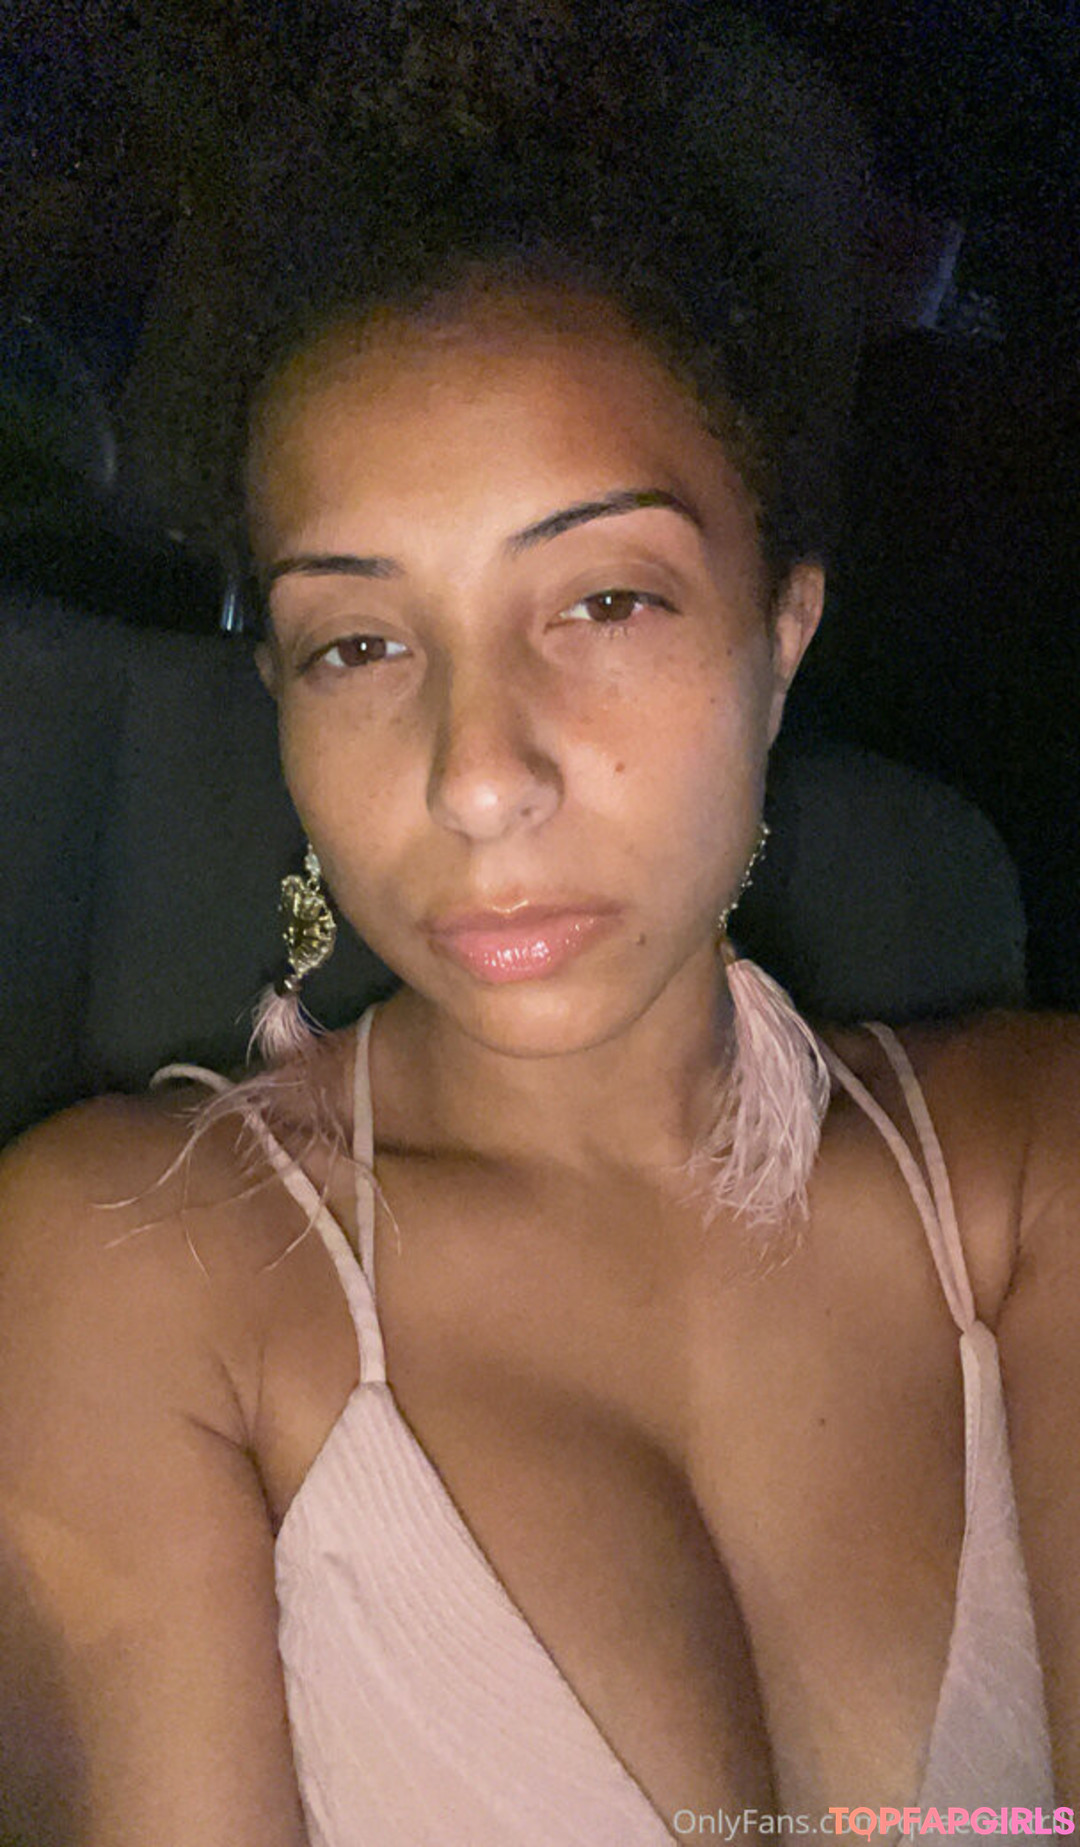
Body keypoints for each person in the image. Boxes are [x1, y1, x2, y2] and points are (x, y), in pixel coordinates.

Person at [0, 111, 1077, 1847]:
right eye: (360, 642)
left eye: (606, 605)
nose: (478, 777)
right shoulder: (137, 1271)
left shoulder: (1036, 1175)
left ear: (780, 637)